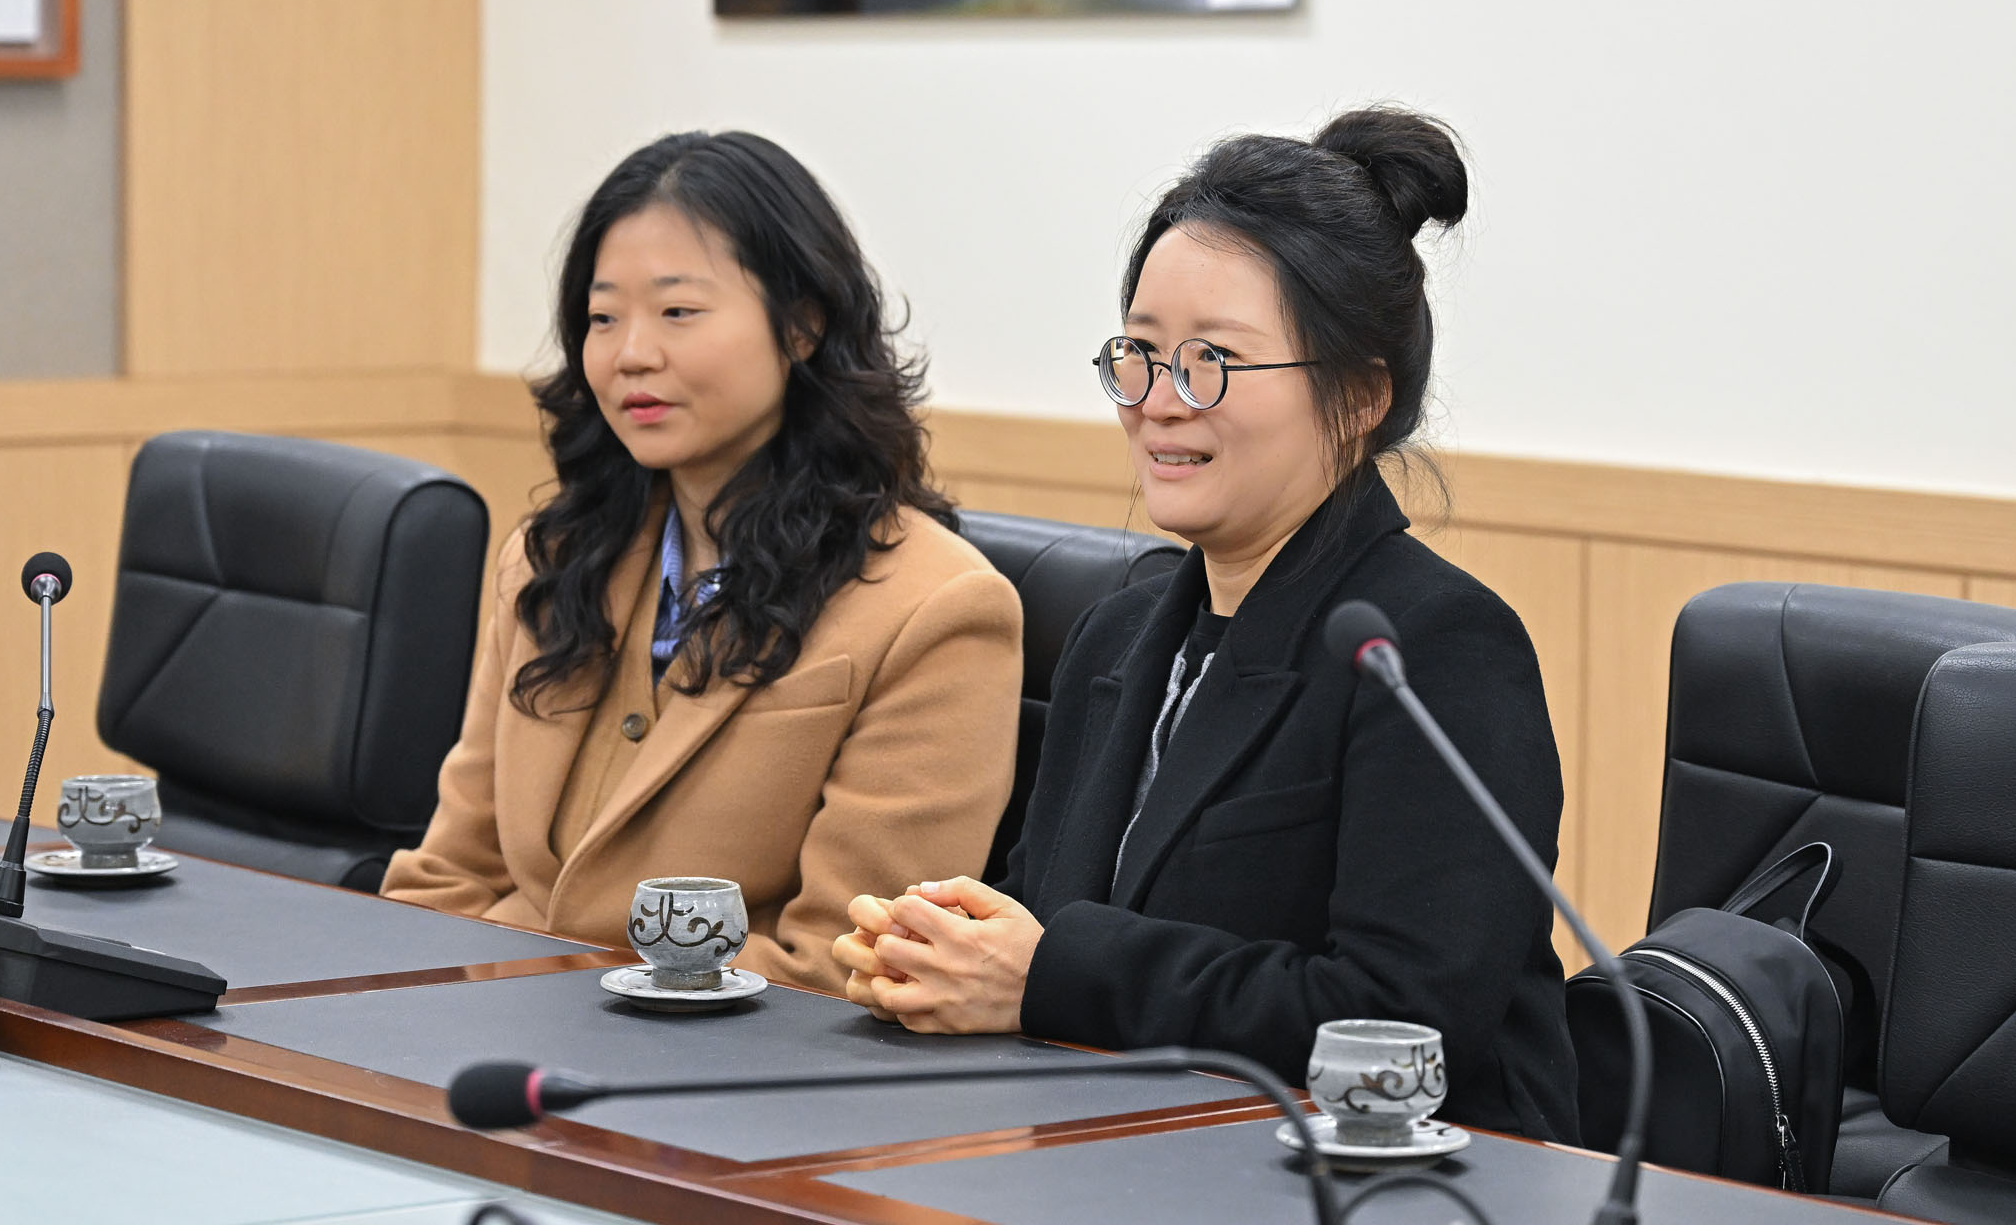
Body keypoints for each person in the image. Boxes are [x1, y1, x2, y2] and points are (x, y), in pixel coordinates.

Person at [833, 108, 1580, 1141]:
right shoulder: (1118, 633)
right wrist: (935, 948)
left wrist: (1049, 975)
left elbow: (1404, 1020)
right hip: (1117, 1151)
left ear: (1359, 395)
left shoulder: (1435, 646)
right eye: (1139, 354)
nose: (1159, 402)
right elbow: (1041, 920)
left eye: (1212, 360)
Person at [384, 131, 1023, 993]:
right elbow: (448, 878)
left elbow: (842, 963)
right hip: (491, 1034)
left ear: (802, 325)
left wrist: (546, 1002)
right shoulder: (550, 559)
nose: (631, 353)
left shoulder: (937, 607)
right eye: (602, 318)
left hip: (722, 1056)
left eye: (677, 312)